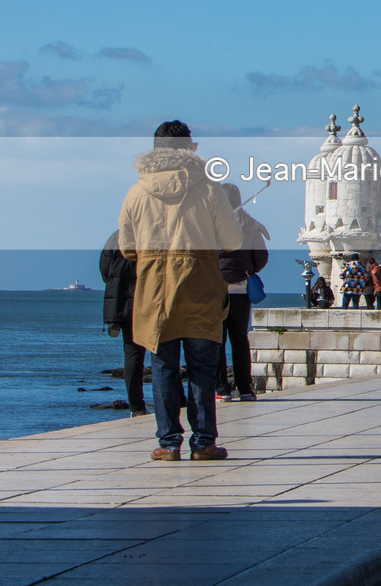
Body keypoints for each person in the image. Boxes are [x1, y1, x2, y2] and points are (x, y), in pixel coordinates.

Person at [118, 120, 241, 462]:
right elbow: (231, 240)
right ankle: (203, 443)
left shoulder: (136, 192)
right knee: (203, 366)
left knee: (163, 367)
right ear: (192, 150)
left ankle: (169, 442)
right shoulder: (209, 189)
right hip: (199, 285)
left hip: (155, 289)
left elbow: (127, 247)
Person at [215, 183, 269, 402]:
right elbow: (261, 257)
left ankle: (222, 389)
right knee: (239, 339)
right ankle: (245, 389)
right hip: (241, 288)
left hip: (217, 289)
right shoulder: (250, 225)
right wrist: (248, 271)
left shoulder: (212, 224)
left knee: (217, 340)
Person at [98, 230, 148, 416]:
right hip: (148, 300)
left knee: (132, 354)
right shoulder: (151, 232)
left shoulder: (115, 237)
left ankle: (137, 407)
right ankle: (176, 400)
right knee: (164, 350)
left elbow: (105, 271)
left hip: (122, 303)